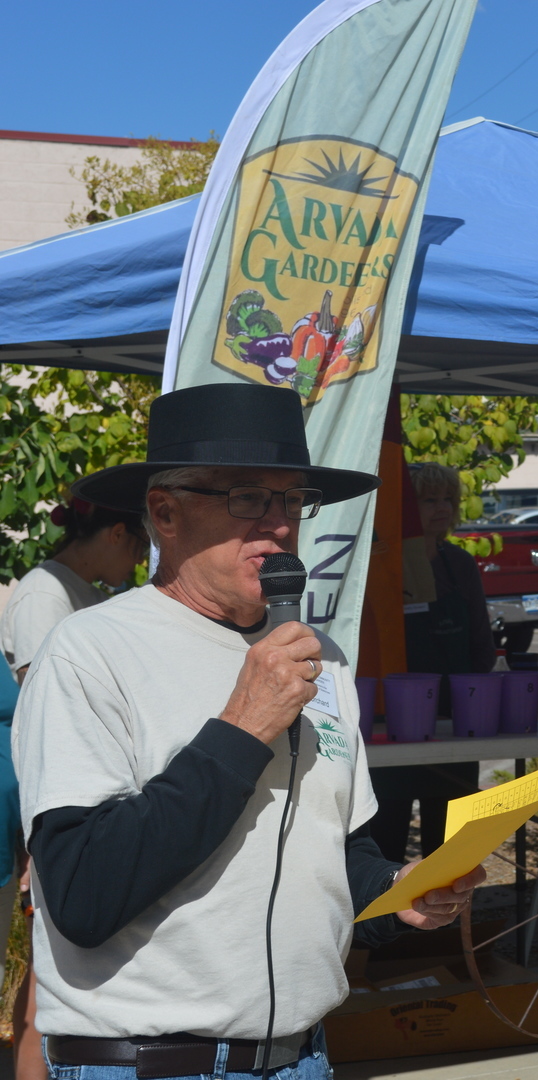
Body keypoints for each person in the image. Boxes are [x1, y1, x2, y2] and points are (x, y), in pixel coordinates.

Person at [13, 383, 484, 1079]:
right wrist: (241, 727)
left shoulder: (321, 656)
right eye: (245, 498)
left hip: (302, 1059)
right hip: (149, 1062)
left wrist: (399, 889)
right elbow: (84, 892)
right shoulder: (90, 650)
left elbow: (329, 854)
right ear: (165, 513)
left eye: (291, 500)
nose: (278, 524)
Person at [0, 497, 146, 1080]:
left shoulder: (78, 592)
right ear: (115, 532)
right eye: (137, 546)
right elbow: (49, 711)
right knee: (44, 986)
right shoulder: (44, 593)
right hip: (50, 803)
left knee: (46, 978)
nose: (137, 563)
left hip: (75, 801)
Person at [368, 462, 495, 863]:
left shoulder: (459, 564)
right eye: (428, 500)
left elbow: (481, 646)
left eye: (447, 499)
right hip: (392, 723)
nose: (441, 508)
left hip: (453, 721)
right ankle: (384, 923)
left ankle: (448, 926)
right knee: (384, 839)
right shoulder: (379, 566)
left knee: (450, 851)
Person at [1, 499, 147, 681]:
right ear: (117, 534)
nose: (141, 560)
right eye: (143, 546)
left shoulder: (91, 595)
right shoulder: (44, 592)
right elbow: (40, 688)